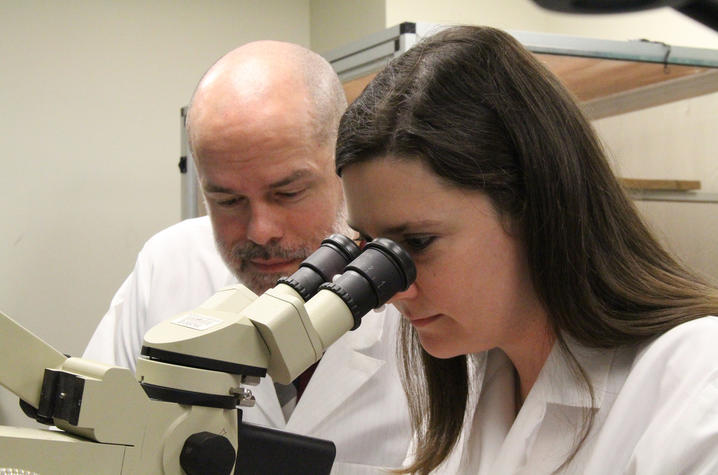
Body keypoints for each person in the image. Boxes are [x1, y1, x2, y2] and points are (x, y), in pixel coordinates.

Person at [335, 25, 718, 474]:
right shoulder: (478, 382)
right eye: (371, 247)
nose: (391, 291)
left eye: (417, 243)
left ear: (533, 205)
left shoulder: (696, 384)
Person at [83, 40, 411, 473]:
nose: (261, 230)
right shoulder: (168, 265)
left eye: (288, 192)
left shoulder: (423, 298)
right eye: (227, 200)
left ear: (343, 161)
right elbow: (92, 438)